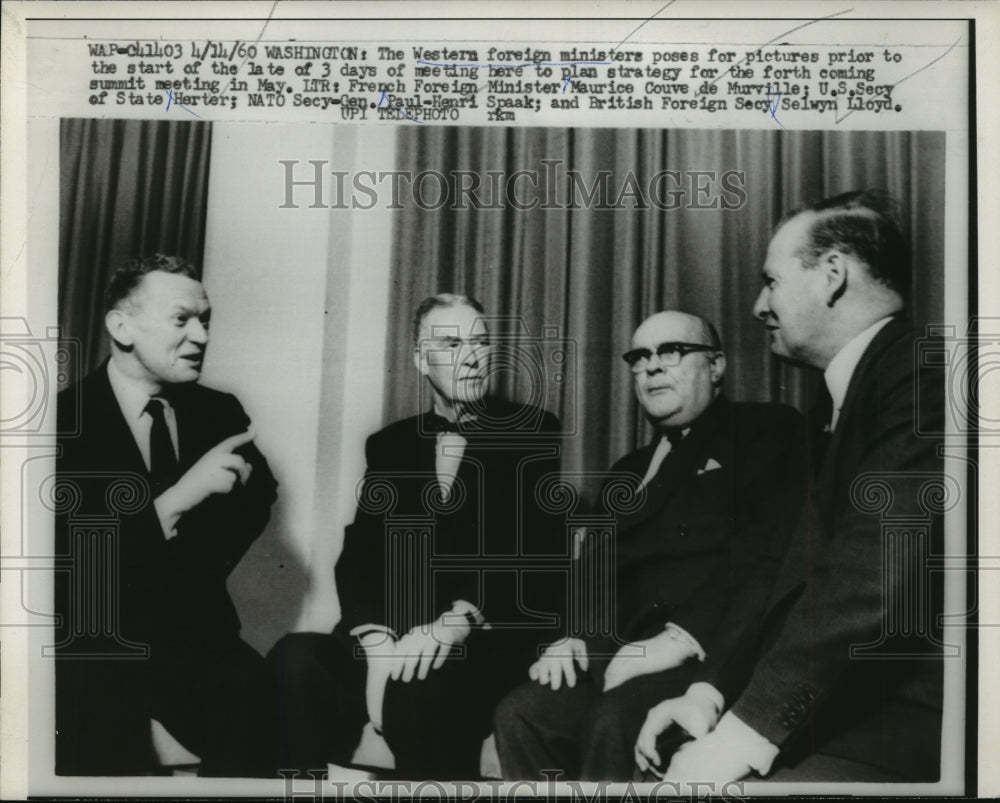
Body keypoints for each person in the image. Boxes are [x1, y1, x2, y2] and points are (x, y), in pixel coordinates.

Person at [634, 190, 947, 783]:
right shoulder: (842, 406)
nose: (758, 306)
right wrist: (709, 692)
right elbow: (782, 573)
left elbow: (868, 578)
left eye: (771, 281)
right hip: (842, 704)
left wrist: (741, 736)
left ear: (832, 277)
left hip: (909, 721)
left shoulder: (922, 377)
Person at [493, 310, 806, 780]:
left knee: (614, 720)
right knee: (522, 714)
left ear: (716, 365)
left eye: (672, 351)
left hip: (710, 651)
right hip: (615, 653)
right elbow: (591, 570)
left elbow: (767, 559)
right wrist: (575, 635)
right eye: (640, 357)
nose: (652, 367)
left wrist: (680, 638)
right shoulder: (628, 469)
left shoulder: (767, 431)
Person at [269, 293, 563, 779]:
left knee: (420, 687)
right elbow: (360, 554)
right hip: (393, 634)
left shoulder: (532, 432)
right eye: (450, 343)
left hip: (478, 640)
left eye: (482, 342)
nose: (472, 355)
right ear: (420, 359)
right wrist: (377, 638)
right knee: (295, 660)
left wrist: (455, 622)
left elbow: (533, 553)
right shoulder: (389, 445)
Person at [54, 254, 281, 776]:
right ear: (121, 326)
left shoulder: (220, 411)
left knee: (255, 691)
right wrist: (177, 501)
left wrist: (174, 557)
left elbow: (256, 501)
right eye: (183, 319)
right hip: (90, 650)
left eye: (206, 320)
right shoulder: (58, 423)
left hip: (195, 640)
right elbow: (66, 567)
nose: (201, 336)